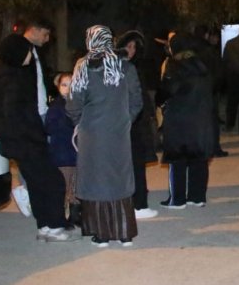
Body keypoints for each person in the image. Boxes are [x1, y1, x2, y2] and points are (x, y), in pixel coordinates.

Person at [0, 33, 75, 242]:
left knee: (36, 184)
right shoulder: (15, 79)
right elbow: (16, 112)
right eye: (27, 52)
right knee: (54, 182)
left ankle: (44, 226)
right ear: (16, 52)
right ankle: (55, 227)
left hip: (14, 142)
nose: (30, 56)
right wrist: (36, 134)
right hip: (28, 140)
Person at [67, 25, 143, 247]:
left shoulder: (83, 67)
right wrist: (125, 120)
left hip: (92, 133)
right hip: (118, 131)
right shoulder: (125, 66)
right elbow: (136, 100)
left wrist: (80, 122)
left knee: (96, 179)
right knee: (119, 176)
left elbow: (73, 104)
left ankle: (101, 234)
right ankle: (124, 232)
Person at [157, 32, 214, 208]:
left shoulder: (174, 66)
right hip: (201, 118)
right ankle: (197, 196)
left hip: (179, 118)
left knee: (177, 159)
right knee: (199, 158)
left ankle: (177, 199)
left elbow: (166, 91)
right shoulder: (202, 65)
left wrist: (160, 101)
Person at [116, 30, 160, 219]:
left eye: (134, 47)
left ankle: (137, 201)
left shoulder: (134, 66)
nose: (131, 50)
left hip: (133, 121)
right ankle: (138, 204)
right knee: (132, 164)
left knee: (135, 163)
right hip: (128, 122)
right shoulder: (124, 67)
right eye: (128, 46)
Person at [45, 72, 79, 224]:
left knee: (76, 185)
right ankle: (60, 216)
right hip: (62, 152)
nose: (68, 88)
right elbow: (49, 127)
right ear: (58, 87)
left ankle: (75, 214)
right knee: (63, 185)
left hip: (76, 152)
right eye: (64, 85)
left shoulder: (78, 104)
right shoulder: (56, 107)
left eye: (71, 85)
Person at [195, 25, 228, 156]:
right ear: (207, 35)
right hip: (209, 90)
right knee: (212, 120)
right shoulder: (209, 51)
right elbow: (218, 72)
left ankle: (202, 146)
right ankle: (214, 147)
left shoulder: (193, 50)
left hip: (196, 91)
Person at [18, 16, 55, 122]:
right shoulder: (19, 49)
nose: (47, 39)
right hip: (29, 113)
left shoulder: (38, 51)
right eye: (45, 34)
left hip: (42, 109)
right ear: (34, 31)